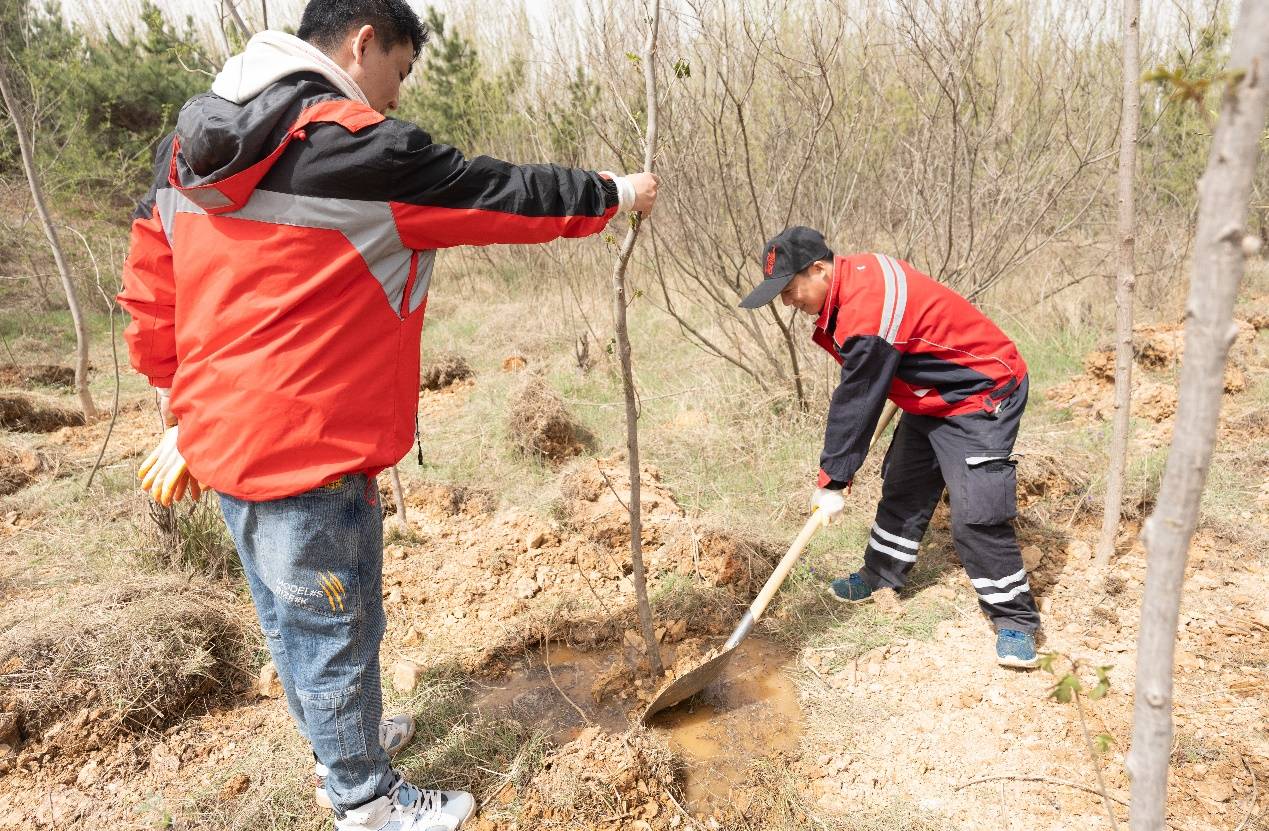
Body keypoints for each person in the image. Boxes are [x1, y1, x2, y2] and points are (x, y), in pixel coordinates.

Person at [117, 2, 659, 829]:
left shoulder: (187, 150)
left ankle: (342, 742)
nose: (396, 96)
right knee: (333, 628)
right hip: (310, 446)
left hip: (220, 438)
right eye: (399, 72)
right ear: (362, 42)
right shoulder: (363, 150)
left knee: (294, 620)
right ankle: (364, 800)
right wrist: (614, 193)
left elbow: (152, 285)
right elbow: (504, 195)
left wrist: (175, 407)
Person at [739, 226, 1041, 669]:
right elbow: (872, 382)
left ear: (819, 269)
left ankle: (1015, 619)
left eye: (789, 290)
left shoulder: (868, 311)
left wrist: (833, 480)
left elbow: (858, 400)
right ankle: (880, 576)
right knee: (904, 487)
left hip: (979, 394)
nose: (787, 302)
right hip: (927, 393)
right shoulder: (854, 279)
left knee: (977, 514)